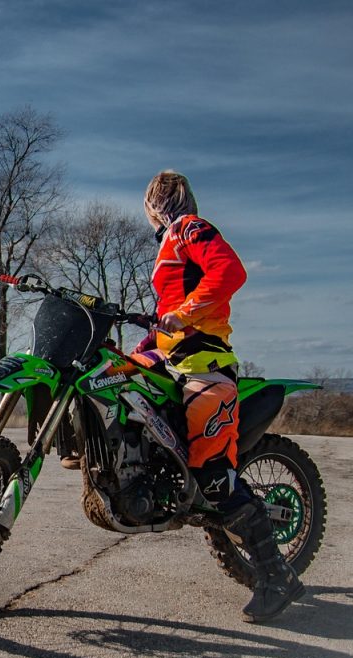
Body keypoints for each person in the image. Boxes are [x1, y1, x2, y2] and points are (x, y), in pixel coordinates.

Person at [136, 170, 304, 623]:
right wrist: (138, 350)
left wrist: (184, 314)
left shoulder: (189, 228)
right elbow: (165, 323)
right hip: (174, 359)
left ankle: (276, 576)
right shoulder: (170, 247)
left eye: (157, 199)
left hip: (204, 362)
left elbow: (231, 271)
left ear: (158, 203)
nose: (156, 205)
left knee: (213, 475)